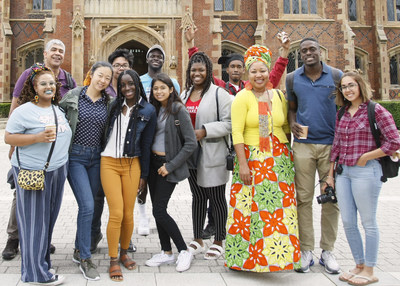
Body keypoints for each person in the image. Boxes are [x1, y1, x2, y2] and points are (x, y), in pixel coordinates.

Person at [184, 26, 290, 239]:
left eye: (239, 67)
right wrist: (191, 47)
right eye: (232, 66)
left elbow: (273, 78)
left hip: (253, 149)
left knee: (225, 192)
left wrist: (284, 56)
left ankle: (251, 232)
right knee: (215, 191)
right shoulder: (223, 88)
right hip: (228, 147)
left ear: (244, 70)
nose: (235, 70)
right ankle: (213, 226)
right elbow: (202, 75)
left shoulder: (253, 88)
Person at [225, 45, 300, 272]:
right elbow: (236, 132)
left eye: (263, 71)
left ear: (269, 73)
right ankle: (246, 260)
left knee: (278, 211)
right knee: (249, 209)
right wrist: (243, 164)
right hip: (252, 159)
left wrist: (288, 156)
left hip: (278, 160)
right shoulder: (242, 97)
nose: (259, 75)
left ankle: (278, 259)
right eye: (254, 71)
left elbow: (285, 126)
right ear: (248, 74)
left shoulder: (277, 96)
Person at [3, 39, 76, 261]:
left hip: (54, 155)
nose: (57, 54)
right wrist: (15, 144)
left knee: (47, 199)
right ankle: (14, 239)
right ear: (45, 53)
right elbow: (15, 106)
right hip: (30, 150)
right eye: (53, 49)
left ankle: (40, 239)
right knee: (22, 191)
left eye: (61, 51)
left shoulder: (68, 79)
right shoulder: (29, 75)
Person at [327, 72, 400, 285]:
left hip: (367, 172)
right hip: (344, 173)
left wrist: (367, 156)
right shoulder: (341, 113)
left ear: (360, 86)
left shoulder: (375, 110)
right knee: (348, 222)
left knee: (368, 222)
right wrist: (330, 176)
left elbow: (394, 142)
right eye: (344, 87)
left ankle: (370, 269)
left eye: (351, 85)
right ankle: (358, 265)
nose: (348, 90)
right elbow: (337, 145)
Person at [286, 37, 342, 274]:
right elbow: (291, 109)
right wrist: (292, 125)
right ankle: (306, 249)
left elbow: (347, 107)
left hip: (331, 146)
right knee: (303, 199)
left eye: (312, 49)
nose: (308, 53)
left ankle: (327, 250)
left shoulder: (336, 76)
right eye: (304, 50)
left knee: (331, 199)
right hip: (303, 146)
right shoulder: (292, 78)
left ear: (321, 52)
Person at [59, 61, 113, 281]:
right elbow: (56, 119)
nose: (103, 80)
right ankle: (85, 257)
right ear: (91, 74)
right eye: (100, 75)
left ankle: (77, 248)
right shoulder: (73, 97)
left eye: (107, 78)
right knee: (87, 205)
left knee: (93, 205)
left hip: (97, 158)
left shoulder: (108, 103)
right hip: (76, 158)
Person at [101, 69, 156, 282]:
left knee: (128, 213)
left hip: (132, 163)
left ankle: (124, 252)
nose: (127, 88)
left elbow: (146, 144)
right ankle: (113, 259)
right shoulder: (112, 105)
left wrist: (144, 174)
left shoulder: (148, 110)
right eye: (122, 85)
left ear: (137, 84)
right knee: (116, 212)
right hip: (109, 163)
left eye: (130, 84)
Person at [181, 52, 233, 260]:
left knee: (217, 198)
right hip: (191, 154)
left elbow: (229, 124)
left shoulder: (220, 94)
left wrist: (204, 130)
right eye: (193, 70)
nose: (197, 73)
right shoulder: (185, 94)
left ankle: (219, 240)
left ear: (208, 71)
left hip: (212, 152)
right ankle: (198, 238)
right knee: (198, 197)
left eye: (201, 70)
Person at [145, 73, 197, 272]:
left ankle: (184, 250)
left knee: (159, 210)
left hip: (168, 165)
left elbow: (191, 143)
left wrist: (171, 165)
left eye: (162, 88)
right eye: (155, 88)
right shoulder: (155, 109)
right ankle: (166, 252)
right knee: (158, 211)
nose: (159, 91)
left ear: (171, 89)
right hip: (153, 166)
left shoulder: (178, 110)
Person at [91, 48, 136, 254]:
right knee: (97, 198)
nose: (120, 68)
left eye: (124, 65)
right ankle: (94, 235)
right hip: (102, 156)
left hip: (126, 159)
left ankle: (124, 240)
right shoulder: (102, 90)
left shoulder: (132, 92)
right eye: (116, 65)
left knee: (123, 206)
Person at [136, 44, 181, 236]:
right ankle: (143, 216)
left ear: (164, 60)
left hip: (162, 138)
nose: (156, 58)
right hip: (143, 135)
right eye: (152, 55)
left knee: (159, 185)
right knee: (142, 178)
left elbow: (178, 109)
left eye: (159, 56)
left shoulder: (173, 82)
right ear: (147, 59)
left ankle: (158, 214)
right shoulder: (139, 81)